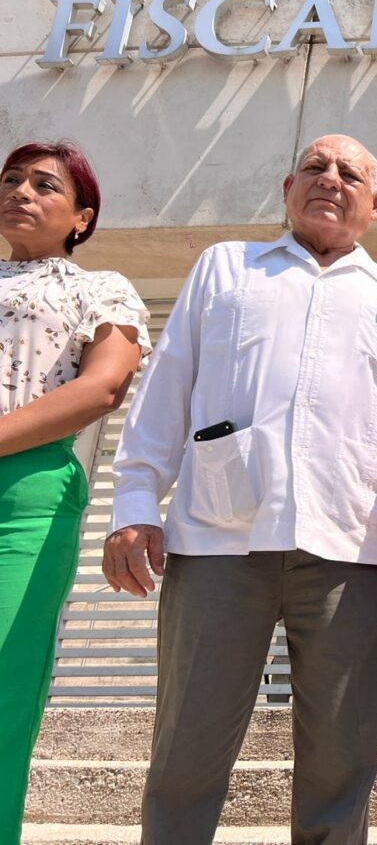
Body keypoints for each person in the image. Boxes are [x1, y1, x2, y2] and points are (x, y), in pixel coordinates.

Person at [103, 135, 377, 845]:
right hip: (218, 539)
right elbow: (165, 392)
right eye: (315, 167)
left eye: (349, 174)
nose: (330, 179)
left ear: (376, 206)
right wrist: (135, 505)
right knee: (187, 747)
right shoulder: (227, 269)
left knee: (343, 759)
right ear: (288, 189)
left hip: (353, 544)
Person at [0, 141, 149, 845]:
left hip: (27, 493)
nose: (20, 192)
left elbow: (103, 387)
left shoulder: (101, 288)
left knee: (5, 676)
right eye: (11, 180)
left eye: (44, 185)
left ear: (81, 217)